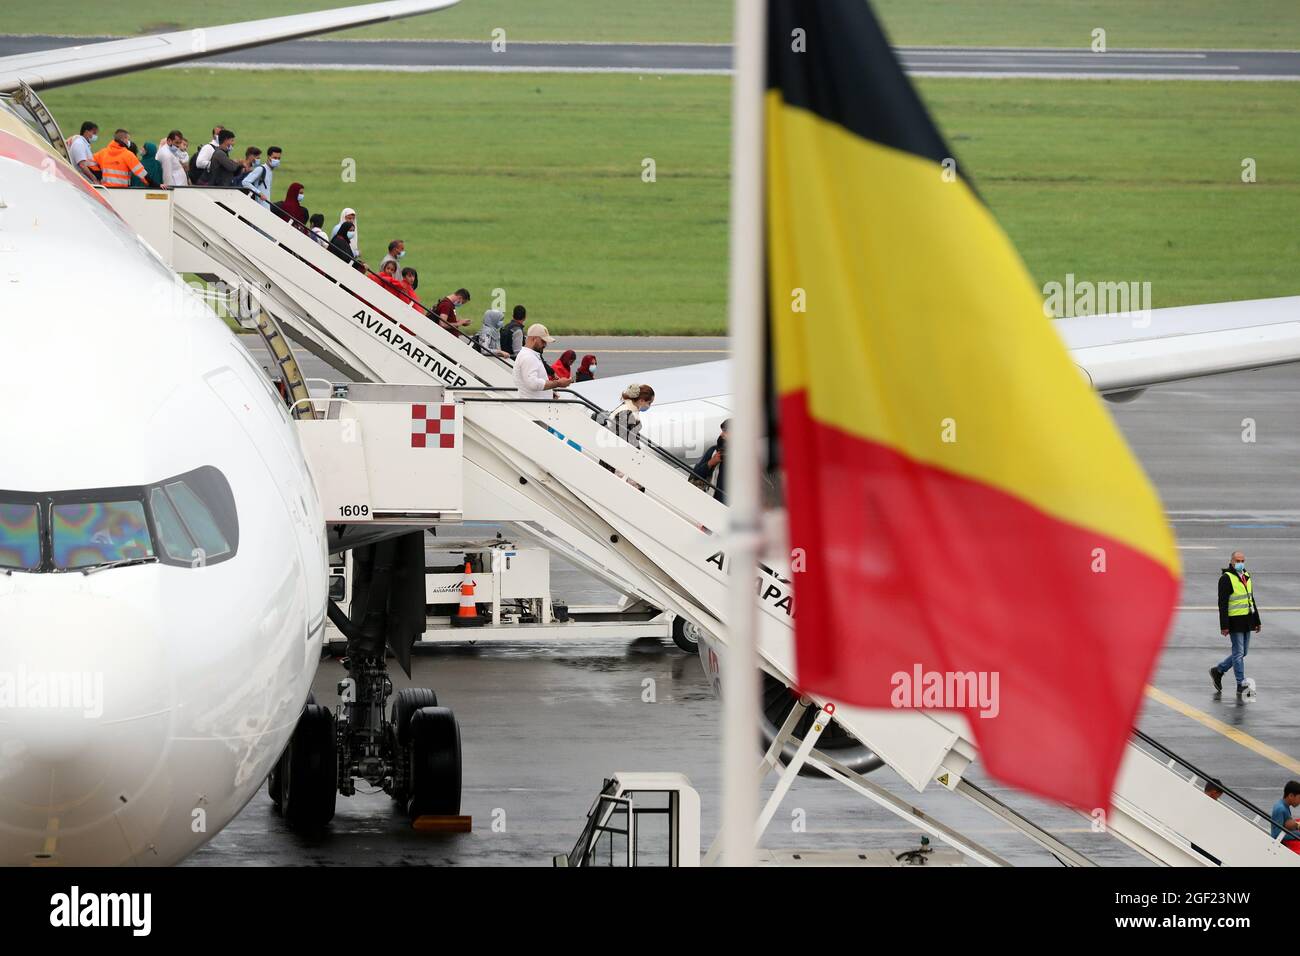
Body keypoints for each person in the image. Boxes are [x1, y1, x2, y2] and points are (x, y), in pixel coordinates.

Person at [1210, 550, 1261, 698]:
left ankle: (1218, 670)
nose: (1240, 563)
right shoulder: (1226, 578)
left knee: (1243, 652)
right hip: (1234, 621)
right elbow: (1223, 604)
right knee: (1238, 653)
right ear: (1231, 561)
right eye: (1237, 561)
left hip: (1247, 620)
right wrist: (1224, 625)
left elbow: (1251, 599)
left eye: (1242, 561)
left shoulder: (1246, 576)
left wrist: (1257, 620)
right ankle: (1240, 683)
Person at [513, 324, 569, 399]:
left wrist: (548, 392)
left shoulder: (530, 355)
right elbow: (533, 384)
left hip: (536, 404)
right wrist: (558, 383)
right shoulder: (528, 357)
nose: (545, 344)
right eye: (543, 341)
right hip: (535, 406)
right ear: (534, 339)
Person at [691, 419, 728, 502]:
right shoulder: (713, 451)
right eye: (722, 431)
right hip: (708, 500)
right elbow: (695, 475)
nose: (721, 434)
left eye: (725, 431)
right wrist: (711, 462)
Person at [607, 384, 655, 448]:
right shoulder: (628, 414)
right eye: (649, 403)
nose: (649, 406)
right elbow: (628, 439)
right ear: (641, 401)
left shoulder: (625, 406)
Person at [1271, 781, 1300, 854]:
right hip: (1281, 846)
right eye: (1299, 798)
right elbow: (1277, 835)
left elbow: (1286, 825)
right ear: (1291, 796)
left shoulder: (1284, 806)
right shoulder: (1280, 809)